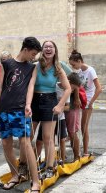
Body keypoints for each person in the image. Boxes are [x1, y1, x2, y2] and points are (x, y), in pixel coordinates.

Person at [0, 37, 42, 192]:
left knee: (26, 144)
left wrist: (28, 105)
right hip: (5, 109)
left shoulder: (32, 67)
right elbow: (0, 87)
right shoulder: (6, 64)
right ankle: (15, 175)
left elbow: (31, 87)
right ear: (25, 49)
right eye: (33, 54)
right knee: (6, 144)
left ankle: (36, 181)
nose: (34, 57)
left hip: (21, 109)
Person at [32, 40, 71, 179]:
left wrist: (60, 105)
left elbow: (68, 88)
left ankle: (50, 166)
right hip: (33, 101)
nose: (48, 49)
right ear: (42, 50)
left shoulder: (58, 68)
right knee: (29, 136)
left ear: (55, 50)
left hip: (50, 101)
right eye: (46, 47)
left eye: (51, 47)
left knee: (48, 138)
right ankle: (28, 164)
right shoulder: (35, 66)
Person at [69, 50, 102, 157]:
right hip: (80, 101)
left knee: (84, 127)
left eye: (74, 64)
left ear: (79, 61)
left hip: (87, 102)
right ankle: (77, 147)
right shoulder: (78, 72)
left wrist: (91, 102)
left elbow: (99, 88)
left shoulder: (90, 70)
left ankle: (86, 151)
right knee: (76, 126)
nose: (73, 67)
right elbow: (77, 87)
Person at [65, 72, 84, 161]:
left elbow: (76, 85)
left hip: (71, 107)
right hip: (67, 107)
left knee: (72, 132)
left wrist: (76, 98)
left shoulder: (62, 68)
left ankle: (77, 156)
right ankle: (65, 155)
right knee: (68, 133)